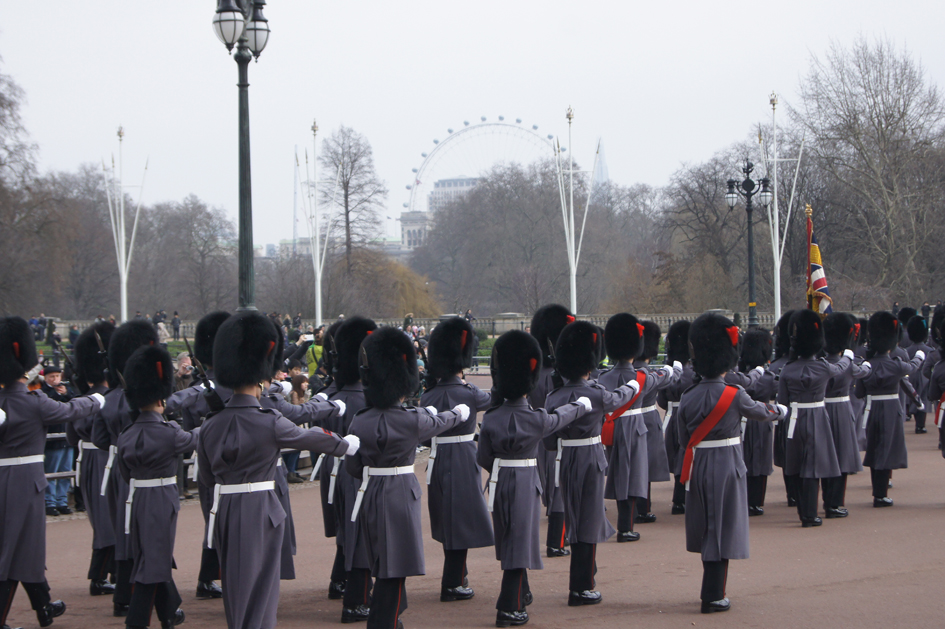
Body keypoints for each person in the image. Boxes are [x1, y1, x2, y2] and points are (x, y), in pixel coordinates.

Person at [197, 311, 358, 629]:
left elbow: (205, 478)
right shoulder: (267, 420)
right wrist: (345, 444)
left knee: (236, 584)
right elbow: (308, 436)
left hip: (224, 508)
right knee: (262, 586)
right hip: (262, 508)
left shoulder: (211, 426)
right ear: (259, 378)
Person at [345, 326, 470, 629]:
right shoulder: (410, 420)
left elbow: (353, 467)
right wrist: (462, 412)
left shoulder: (359, 420)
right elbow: (441, 421)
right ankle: (383, 621)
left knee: (381, 563)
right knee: (395, 567)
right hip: (400, 493)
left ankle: (391, 617)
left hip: (370, 491)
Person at [676, 313, 787, 614]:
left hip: (699, 464)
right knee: (722, 528)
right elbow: (761, 412)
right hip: (726, 463)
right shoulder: (734, 393)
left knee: (707, 526)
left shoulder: (688, 396)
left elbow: (683, 436)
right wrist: (781, 411)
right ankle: (713, 594)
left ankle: (710, 589)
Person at [478, 330, 590, 627]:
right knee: (520, 542)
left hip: (498, 481)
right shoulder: (536, 418)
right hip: (525, 480)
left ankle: (522, 592)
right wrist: (581, 406)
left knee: (510, 539)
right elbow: (560, 418)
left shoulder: (490, 418)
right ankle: (509, 607)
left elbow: (483, 458)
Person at [0, 316, 105, 629]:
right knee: (13, 551)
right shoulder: (33, 402)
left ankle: (44, 606)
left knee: (27, 547)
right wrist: (98, 397)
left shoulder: (10, 400)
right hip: (25, 482)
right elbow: (71, 410)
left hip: (6, 480)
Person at [544, 321, 641, 607]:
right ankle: (582, 586)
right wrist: (635, 384)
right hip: (590, 459)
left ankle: (585, 576)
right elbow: (619, 398)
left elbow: (549, 440)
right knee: (587, 520)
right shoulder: (595, 393)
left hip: (564, 458)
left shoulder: (554, 396)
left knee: (574, 518)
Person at [117, 345, 193, 629]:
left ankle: (169, 613)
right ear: (162, 400)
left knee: (151, 555)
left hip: (136, 498)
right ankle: (136, 622)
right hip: (162, 497)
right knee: (154, 561)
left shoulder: (126, 435)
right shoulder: (169, 433)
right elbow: (196, 439)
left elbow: (125, 473)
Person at [420, 317, 494, 603]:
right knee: (460, 520)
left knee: (447, 520)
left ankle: (458, 576)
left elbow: (425, 437)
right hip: (463, 457)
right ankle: (452, 583)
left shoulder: (428, 396)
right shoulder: (468, 393)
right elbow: (497, 399)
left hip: (437, 459)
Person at [93, 319, 161, 618]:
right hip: (145, 475)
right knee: (149, 536)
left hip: (116, 473)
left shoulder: (108, 401)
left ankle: (122, 596)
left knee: (123, 533)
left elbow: (98, 439)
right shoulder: (146, 401)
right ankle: (148, 599)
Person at [163, 311, 231, 601]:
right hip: (219, 463)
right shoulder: (205, 388)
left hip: (211, 462)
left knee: (215, 520)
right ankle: (222, 577)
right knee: (223, 521)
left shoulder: (201, 388)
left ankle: (207, 579)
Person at [778, 309, 855, 527]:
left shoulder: (788, 369)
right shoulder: (822, 367)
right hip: (818, 417)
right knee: (813, 467)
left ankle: (805, 513)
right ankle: (812, 514)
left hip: (794, 419)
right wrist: (848, 355)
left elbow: (782, 400)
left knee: (799, 468)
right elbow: (839, 368)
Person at [325, 317, 375, 622]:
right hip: (357, 471)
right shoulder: (363, 400)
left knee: (347, 531)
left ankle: (339, 581)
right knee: (360, 535)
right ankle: (355, 601)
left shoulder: (333, 396)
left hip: (334, 469)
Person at [66, 321, 119, 598]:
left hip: (88, 457)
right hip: (101, 458)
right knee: (107, 521)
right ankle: (99, 578)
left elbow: (71, 437)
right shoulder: (104, 398)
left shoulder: (86, 396)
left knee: (105, 519)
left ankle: (109, 573)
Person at [856, 311, 924, 507]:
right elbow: (912, 367)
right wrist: (920, 356)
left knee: (875, 449)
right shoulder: (895, 364)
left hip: (871, 409)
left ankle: (878, 491)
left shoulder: (867, 365)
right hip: (891, 408)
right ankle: (881, 494)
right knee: (886, 450)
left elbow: (860, 392)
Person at [528, 304, 574, 557]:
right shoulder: (560, 376)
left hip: (535, 439)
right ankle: (556, 541)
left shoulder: (533, 373)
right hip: (556, 438)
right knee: (559, 490)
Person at [633, 321, 681, 522]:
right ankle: (643, 508)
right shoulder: (650, 375)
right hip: (649, 419)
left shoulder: (621, 374)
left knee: (632, 465)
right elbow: (672, 377)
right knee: (646, 464)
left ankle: (634, 508)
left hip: (626, 421)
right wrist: (676, 364)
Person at [733, 328, 778, 515]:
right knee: (760, 461)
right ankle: (756, 501)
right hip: (761, 420)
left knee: (742, 460)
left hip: (740, 421)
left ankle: (741, 500)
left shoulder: (737, 376)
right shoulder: (767, 378)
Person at [658, 320, 694, 516]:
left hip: (671, 418)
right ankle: (682, 498)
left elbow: (661, 401)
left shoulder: (669, 373)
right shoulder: (694, 374)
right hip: (689, 419)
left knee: (678, 456)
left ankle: (679, 499)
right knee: (687, 455)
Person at [41, 365, 76, 516]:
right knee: (51, 472)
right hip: (53, 439)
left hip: (66, 437)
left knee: (66, 472)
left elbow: (76, 404)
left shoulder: (67, 389)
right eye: (51, 377)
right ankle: (50, 502)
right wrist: (57, 395)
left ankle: (62, 501)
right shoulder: (43, 392)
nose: (55, 379)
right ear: (46, 378)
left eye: (57, 376)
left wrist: (67, 394)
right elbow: (48, 408)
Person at [905, 316, 932, 434]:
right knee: (923, 399)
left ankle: (911, 417)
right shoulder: (929, 350)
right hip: (925, 377)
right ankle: (920, 425)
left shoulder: (906, 350)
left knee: (912, 397)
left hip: (911, 375)